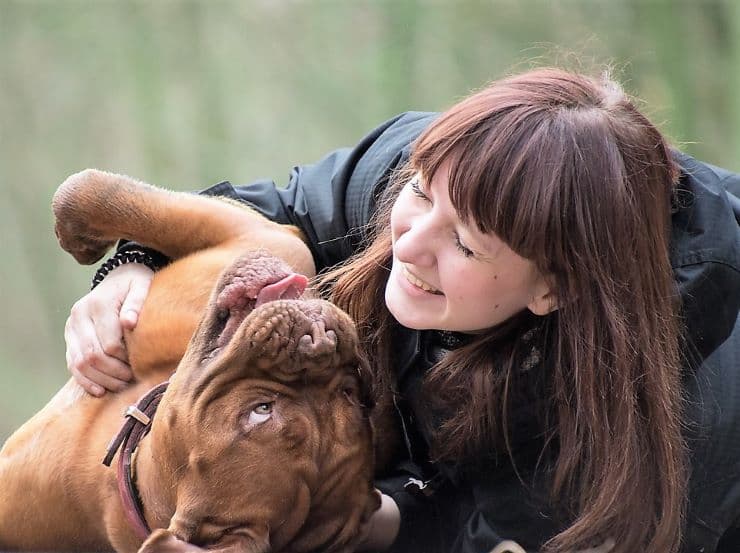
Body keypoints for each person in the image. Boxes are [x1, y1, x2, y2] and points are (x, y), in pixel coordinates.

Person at [64, 68, 740, 553]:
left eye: (466, 245)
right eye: (421, 193)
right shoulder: (443, 169)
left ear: (554, 290)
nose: (406, 242)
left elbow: (482, 531)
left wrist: (369, 517)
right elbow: (287, 212)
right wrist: (132, 262)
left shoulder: (637, 446)